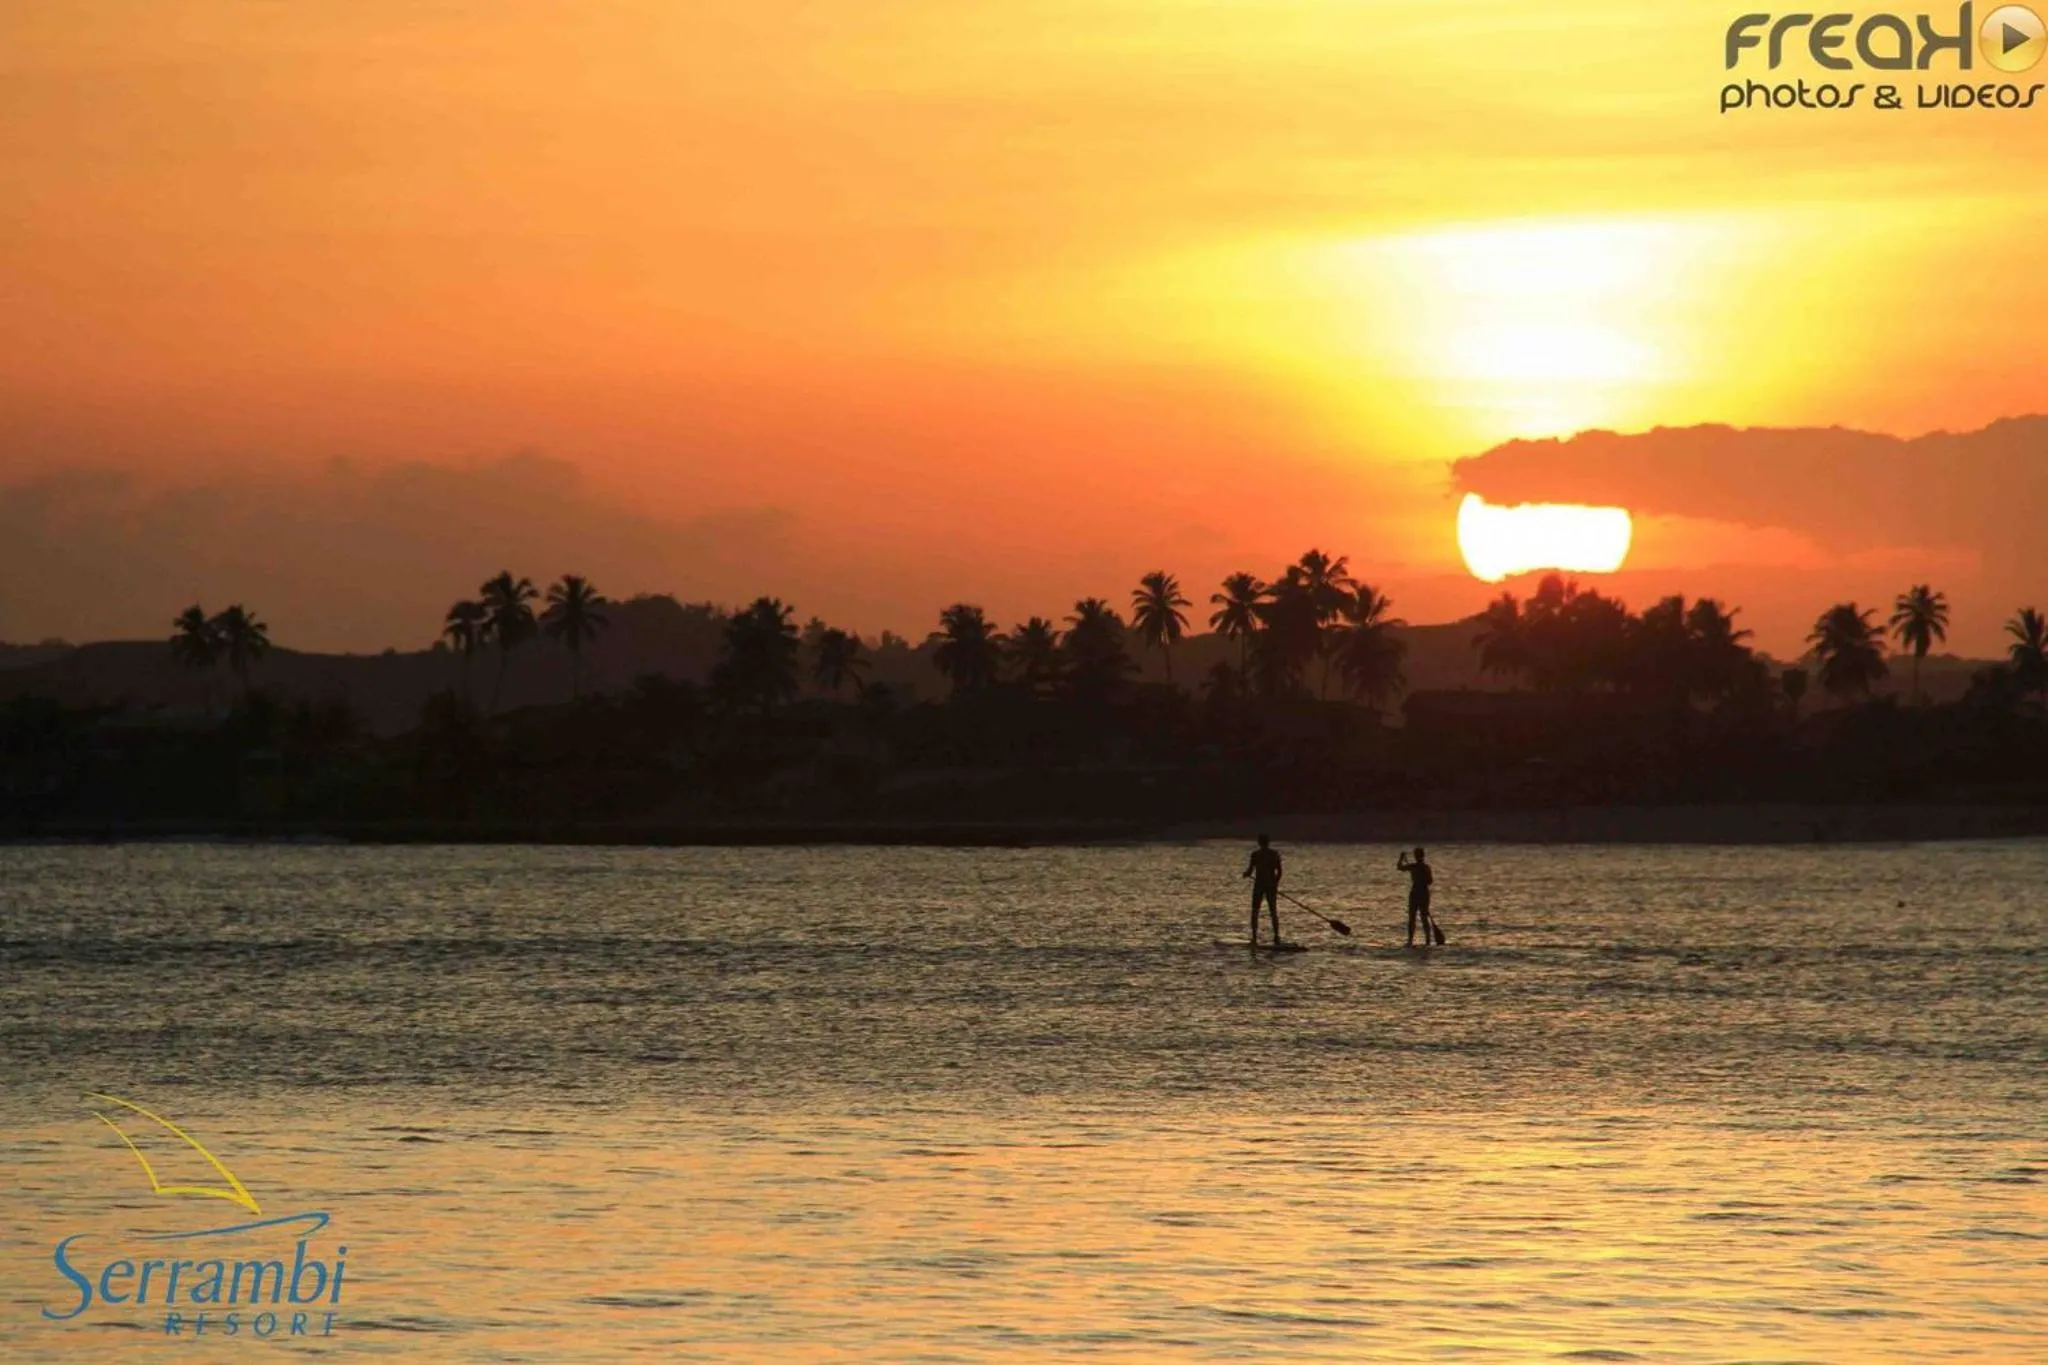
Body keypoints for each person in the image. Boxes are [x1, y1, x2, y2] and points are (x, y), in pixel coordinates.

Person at [1242, 834, 1284, 946]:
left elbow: (1250, 871)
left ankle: (1254, 938)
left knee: (1255, 911)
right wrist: (1275, 883)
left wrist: (1245, 874)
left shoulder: (1255, 855)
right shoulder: (1274, 854)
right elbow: (1279, 872)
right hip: (1270, 886)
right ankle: (1276, 936)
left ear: (1259, 842)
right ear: (1268, 842)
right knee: (1273, 911)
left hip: (1259, 886)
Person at [1397, 846, 1437, 947]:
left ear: (1416, 856)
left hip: (1418, 893)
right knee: (1422, 917)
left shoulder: (1415, 867)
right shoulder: (1423, 867)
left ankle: (1413, 940)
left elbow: (1399, 867)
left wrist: (1401, 858)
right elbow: (1430, 881)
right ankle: (1425, 940)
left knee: (1415, 918)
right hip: (1421, 893)